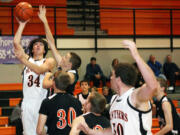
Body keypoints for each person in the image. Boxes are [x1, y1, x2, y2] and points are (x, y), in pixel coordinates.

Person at [78, 40, 158, 135]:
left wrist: (136, 56)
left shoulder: (134, 96)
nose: (110, 78)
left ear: (118, 80)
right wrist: (90, 131)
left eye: (112, 75)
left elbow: (152, 86)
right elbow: (113, 130)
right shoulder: (114, 99)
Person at [13, 10, 55, 135]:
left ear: (44, 50)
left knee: (42, 133)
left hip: (41, 103)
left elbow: (39, 70)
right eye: (35, 44)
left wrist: (22, 60)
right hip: (27, 104)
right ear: (31, 49)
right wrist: (22, 24)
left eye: (41, 45)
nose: (37, 46)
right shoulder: (28, 59)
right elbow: (16, 43)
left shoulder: (48, 61)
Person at [39, 5, 81, 95]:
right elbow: (51, 42)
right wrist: (45, 22)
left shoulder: (72, 74)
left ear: (69, 64)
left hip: (65, 104)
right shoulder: (62, 65)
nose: (62, 57)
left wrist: (48, 75)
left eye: (65, 57)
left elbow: (67, 78)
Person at [36, 71, 83, 135]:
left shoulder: (47, 102)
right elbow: (81, 126)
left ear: (53, 83)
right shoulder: (77, 101)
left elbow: (40, 131)